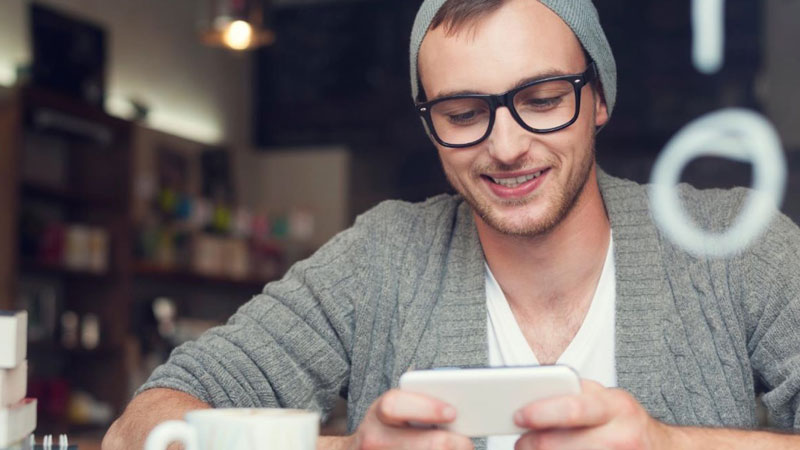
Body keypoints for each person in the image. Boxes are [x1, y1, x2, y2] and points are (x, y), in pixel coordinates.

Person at [103, 0, 800, 449]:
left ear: (598, 99)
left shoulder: (735, 247)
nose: (505, 146)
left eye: (542, 98)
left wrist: (667, 445)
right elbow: (139, 429)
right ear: (430, 126)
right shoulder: (382, 259)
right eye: (464, 114)